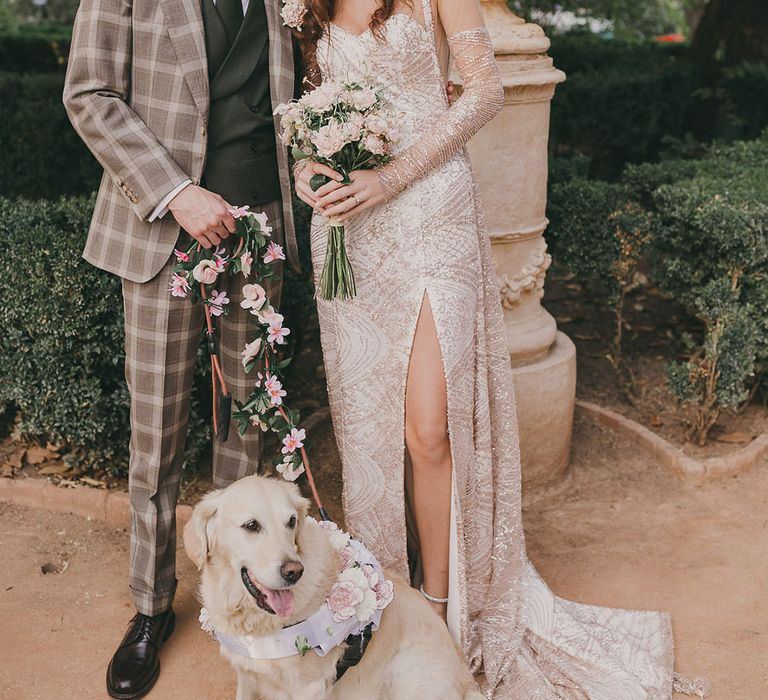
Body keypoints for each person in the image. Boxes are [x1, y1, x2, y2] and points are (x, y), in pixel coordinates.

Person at [293, 0, 702, 697]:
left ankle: (444, 614)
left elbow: (484, 90)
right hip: (349, 230)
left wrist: (390, 177)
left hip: (430, 214)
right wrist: (309, 174)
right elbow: (306, 114)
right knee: (366, 431)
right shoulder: (302, 6)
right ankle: (383, 602)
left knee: (429, 429)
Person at [63, 0, 297, 696]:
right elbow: (89, 92)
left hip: (264, 230)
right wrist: (175, 193)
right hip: (161, 231)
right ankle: (150, 609)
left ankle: (242, 595)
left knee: (246, 434)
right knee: (156, 436)